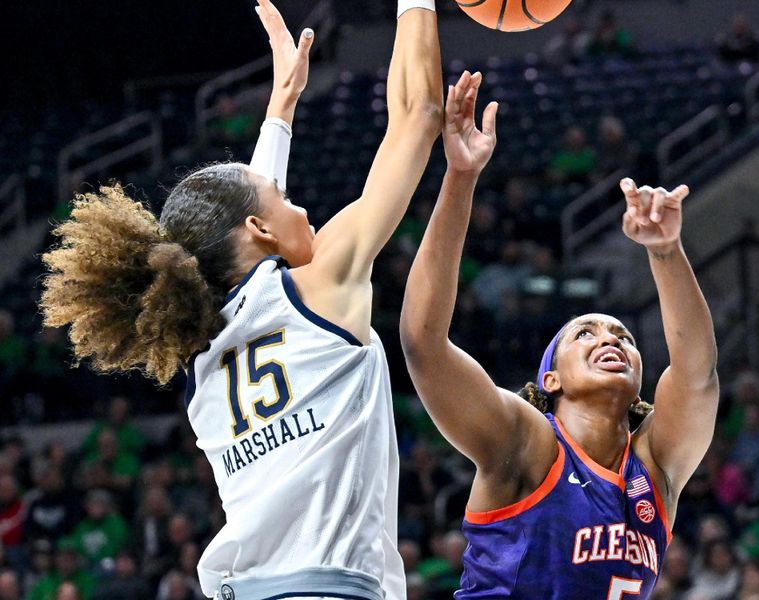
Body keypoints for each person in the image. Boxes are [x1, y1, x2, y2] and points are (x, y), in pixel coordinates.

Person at [39, 0, 444, 598]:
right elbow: (419, 113)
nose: (303, 208)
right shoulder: (318, 289)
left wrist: (281, 107)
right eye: (285, 202)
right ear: (259, 231)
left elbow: (239, 221)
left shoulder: (197, 352)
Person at [400, 78, 719, 597]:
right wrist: (460, 176)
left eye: (622, 335)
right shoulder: (526, 441)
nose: (609, 338)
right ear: (550, 378)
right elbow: (422, 341)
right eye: (584, 333)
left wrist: (665, 252)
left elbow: (696, 372)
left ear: (639, 383)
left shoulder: (656, 462)